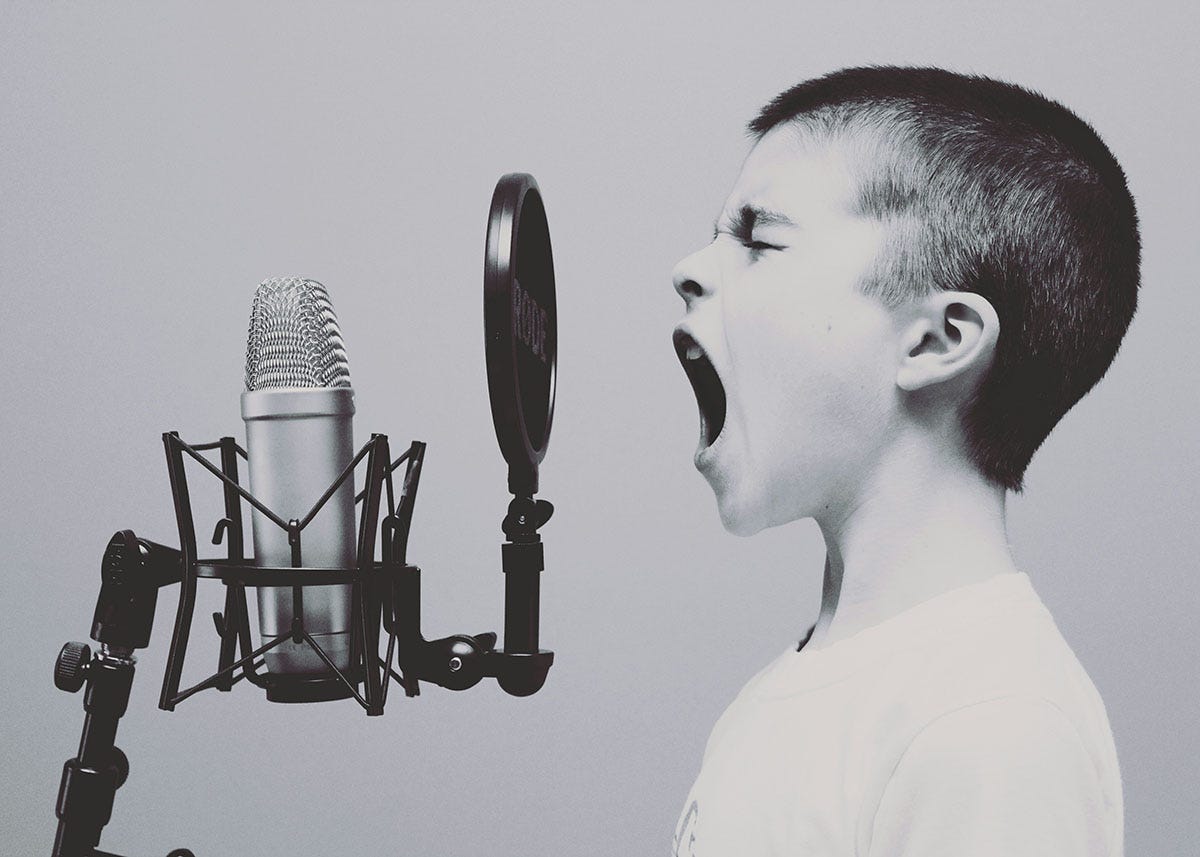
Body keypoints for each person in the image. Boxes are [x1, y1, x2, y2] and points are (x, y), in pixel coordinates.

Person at [670, 66, 1137, 856]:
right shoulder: (805, 686)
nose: (690, 270)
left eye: (759, 238)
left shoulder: (989, 727)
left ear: (937, 339)